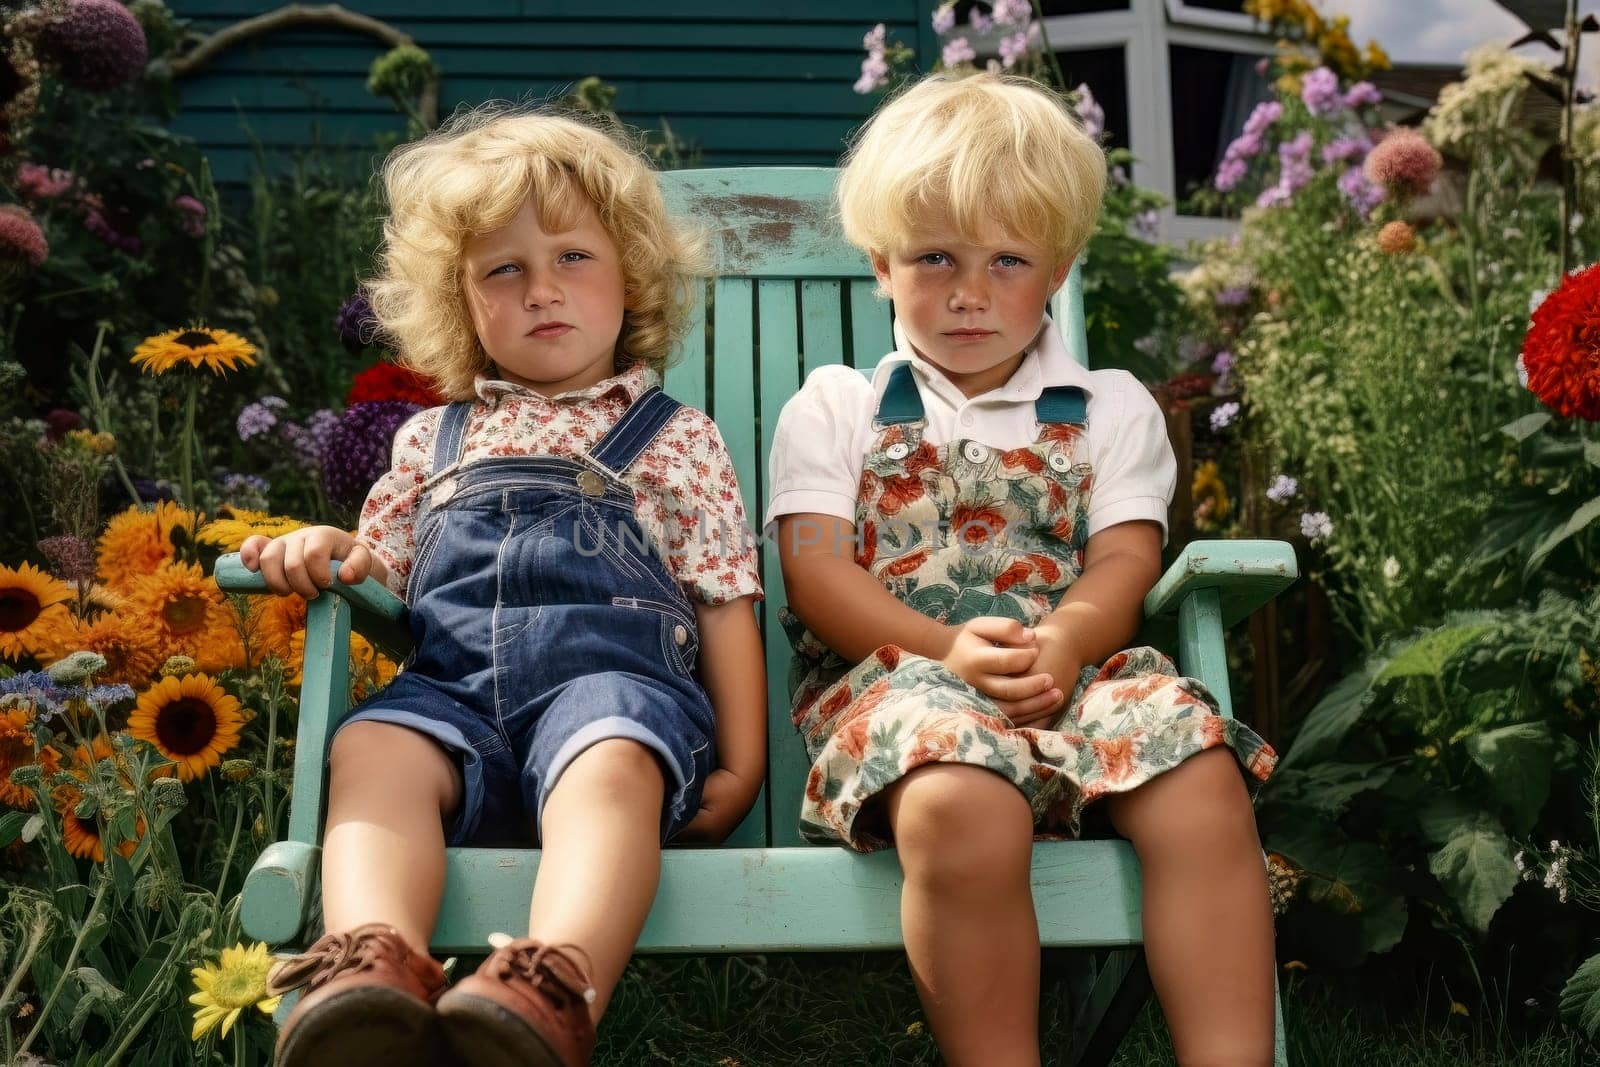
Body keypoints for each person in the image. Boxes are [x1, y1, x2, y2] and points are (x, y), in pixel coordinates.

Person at [766, 72, 1278, 1066]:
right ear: (879, 264)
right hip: (896, 682)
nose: (967, 292)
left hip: (1069, 672)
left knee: (1201, 779)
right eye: (933, 258)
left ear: (1058, 267)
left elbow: (1125, 554)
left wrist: (1066, 639)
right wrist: (944, 646)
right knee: (961, 796)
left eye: (1007, 259)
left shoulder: (1108, 404)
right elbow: (816, 570)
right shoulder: (835, 406)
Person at [239, 103, 765, 1067]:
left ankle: (547, 987)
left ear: (630, 279)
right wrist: (327, 545)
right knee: (371, 746)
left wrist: (739, 765)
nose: (541, 291)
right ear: (461, 302)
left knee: (611, 753)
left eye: (573, 257)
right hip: (455, 709)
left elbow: (723, 591)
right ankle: (370, 968)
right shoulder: (429, 439)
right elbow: (380, 566)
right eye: (503, 270)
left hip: (610, 694)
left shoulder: (673, 437)